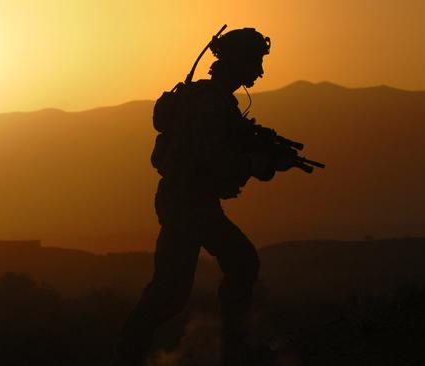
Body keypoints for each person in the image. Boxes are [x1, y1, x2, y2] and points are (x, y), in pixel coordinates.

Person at [110, 28, 297, 366]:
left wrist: (262, 155)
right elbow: (212, 158)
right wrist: (255, 163)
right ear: (238, 61)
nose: (259, 71)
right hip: (188, 203)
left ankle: (130, 353)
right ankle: (232, 353)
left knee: (173, 291)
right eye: (255, 62)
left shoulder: (211, 100)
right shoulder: (210, 104)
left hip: (189, 201)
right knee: (230, 268)